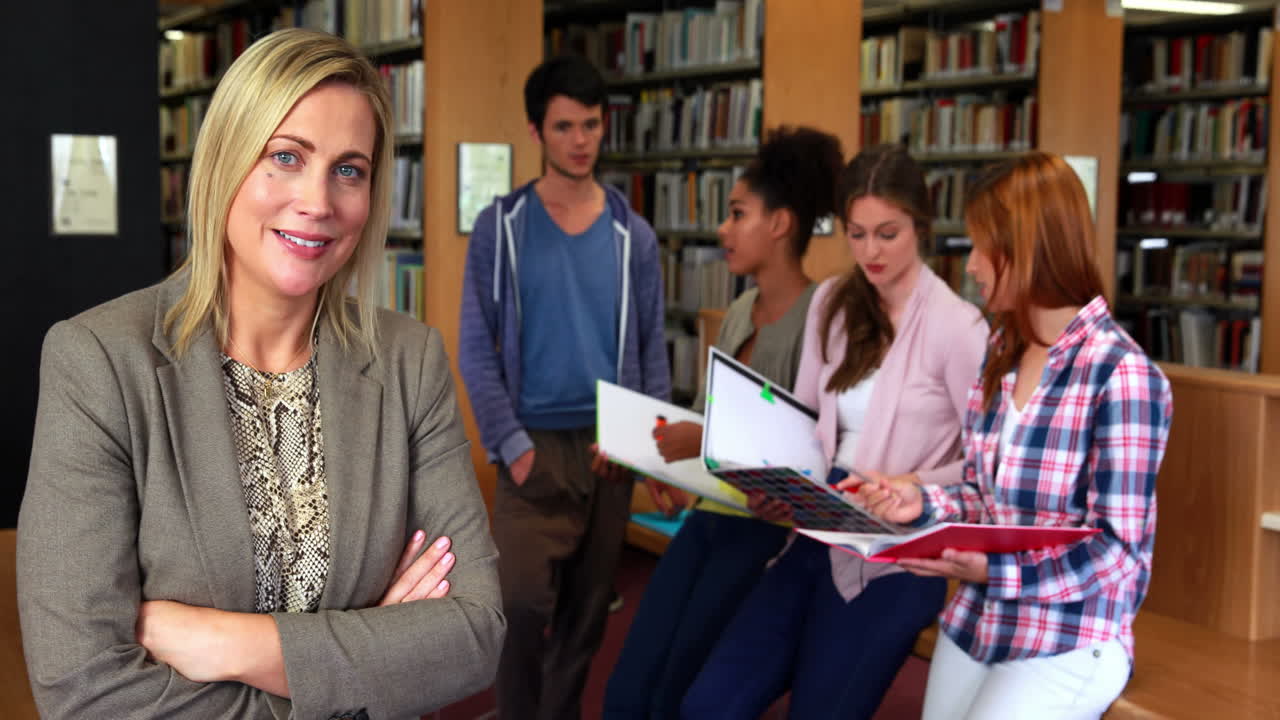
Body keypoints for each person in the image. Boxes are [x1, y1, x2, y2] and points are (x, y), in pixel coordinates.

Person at [17, 29, 503, 720]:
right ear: (225, 161)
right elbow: (85, 691)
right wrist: (368, 667)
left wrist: (230, 642)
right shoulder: (99, 362)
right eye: (285, 157)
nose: (318, 201)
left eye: (349, 169)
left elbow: (474, 635)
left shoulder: (409, 361)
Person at [857, 151, 1173, 720]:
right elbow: (984, 496)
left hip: (1072, 637)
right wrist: (919, 502)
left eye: (983, 247)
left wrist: (993, 571)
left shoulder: (1121, 374)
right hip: (982, 620)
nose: (971, 265)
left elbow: (1118, 554)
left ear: (1027, 250)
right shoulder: (1001, 356)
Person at [681, 144, 989, 719]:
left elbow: (983, 469)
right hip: (818, 529)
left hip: (897, 559)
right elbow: (804, 425)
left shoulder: (960, 327)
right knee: (708, 705)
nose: (870, 251)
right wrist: (778, 482)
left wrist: (909, 485)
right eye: (857, 233)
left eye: (888, 234)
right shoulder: (830, 304)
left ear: (921, 227)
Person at [603, 126, 845, 719]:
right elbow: (715, 424)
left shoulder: (821, 319)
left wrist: (698, 442)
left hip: (764, 533)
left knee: (673, 692)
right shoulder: (737, 311)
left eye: (738, 215)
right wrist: (647, 452)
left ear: (781, 224)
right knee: (629, 684)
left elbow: (802, 451)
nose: (723, 230)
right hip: (710, 515)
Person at [457, 53, 669, 720]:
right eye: (565, 127)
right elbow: (474, 346)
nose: (581, 141)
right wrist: (512, 445)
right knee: (517, 606)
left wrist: (648, 447)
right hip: (533, 444)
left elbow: (651, 352)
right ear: (536, 133)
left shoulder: (632, 237)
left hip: (610, 450)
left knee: (586, 617)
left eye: (592, 126)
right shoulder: (503, 228)